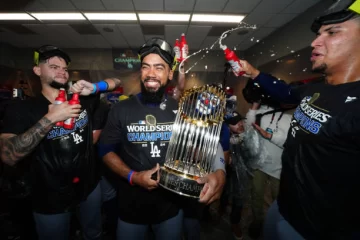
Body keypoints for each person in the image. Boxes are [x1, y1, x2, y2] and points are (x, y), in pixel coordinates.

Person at [237, 0, 360, 238]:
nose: (314, 42)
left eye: (332, 32)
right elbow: (288, 93)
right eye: (318, 34)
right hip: (284, 208)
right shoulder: (317, 88)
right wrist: (254, 73)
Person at [98, 37, 226, 240]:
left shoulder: (181, 110)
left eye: (159, 67)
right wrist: (133, 177)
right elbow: (105, 150)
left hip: (170, 209)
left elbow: (207, 143)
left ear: (169, 73)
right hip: (130, 209)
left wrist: (219, 171)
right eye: (146, 67)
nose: (151, 74)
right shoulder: (121, 109)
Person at [0, 45, 121, 240]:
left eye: (64, 68)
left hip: (88, 186)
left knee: (94, 233)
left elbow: (116, 81)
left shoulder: (81, 99)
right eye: (54, 66)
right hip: (49, 195)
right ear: (37, 71)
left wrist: (95, 87)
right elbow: (7, 155)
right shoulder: (22, 109)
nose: (62, 72)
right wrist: (50, 118)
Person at [242, 81, 293, 239]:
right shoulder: (266, 110)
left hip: (279, 168)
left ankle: (277, 227)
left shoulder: (293, 115)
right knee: (256, 196)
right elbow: (248, 127)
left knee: (279, 201)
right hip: (260, 164)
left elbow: (290, 141)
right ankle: (258, 223)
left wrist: (270, 136)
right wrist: (254, 107)